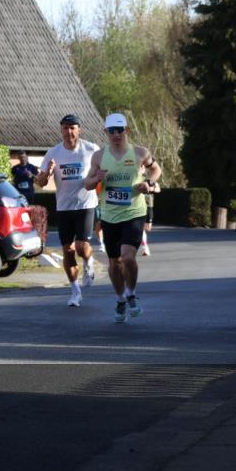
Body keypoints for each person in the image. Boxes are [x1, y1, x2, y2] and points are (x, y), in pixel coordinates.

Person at [83, 113, 161, 323]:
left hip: (134, 212)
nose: (116, 134)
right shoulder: (99, 156)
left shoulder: (140, 153)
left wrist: (149, 183)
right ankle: (120, 300)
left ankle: (131, 294)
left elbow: (156, 169)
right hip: (110, 215)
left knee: (127, 257)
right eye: (112, 131)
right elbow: (87, 184)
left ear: (127, 130)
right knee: (115, 262)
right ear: (106, 132)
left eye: (120, 130)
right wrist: (96, 178)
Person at [35, 114, 101, 307]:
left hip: (86, 205)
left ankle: (88, 262)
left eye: (72, 128)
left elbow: (102, 170)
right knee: (68, 250)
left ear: (79, 130)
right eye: (65, 128)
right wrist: (48, 172)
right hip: (64, 207)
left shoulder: (91, 149)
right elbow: (40, 182)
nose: (69, 132)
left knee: (81, 246)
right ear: (61, 130)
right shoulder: (53, 152)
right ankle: (75, 292)